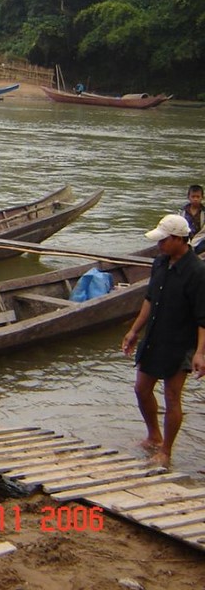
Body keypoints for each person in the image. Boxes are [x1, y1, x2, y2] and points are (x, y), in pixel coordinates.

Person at [121, 214, 205, 467]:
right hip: (155, 336)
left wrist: (200, 353)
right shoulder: (160, 263)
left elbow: (203, 317)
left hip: (180, 342)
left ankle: (166, 451)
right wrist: (134, 330)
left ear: (180, 240)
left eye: (164, 241)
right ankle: (153, 436)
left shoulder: (197, 272)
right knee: (141, 389)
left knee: (171, 396)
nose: (160, 246)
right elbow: (149, 299)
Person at [178, 184, 204, 249]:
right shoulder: (182, 211)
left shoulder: (203, 212)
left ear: (202, 198)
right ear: (188, 197)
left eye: (198, 197)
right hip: (185, 238)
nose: (195, 199)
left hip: (200, 239)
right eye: (193, 197)